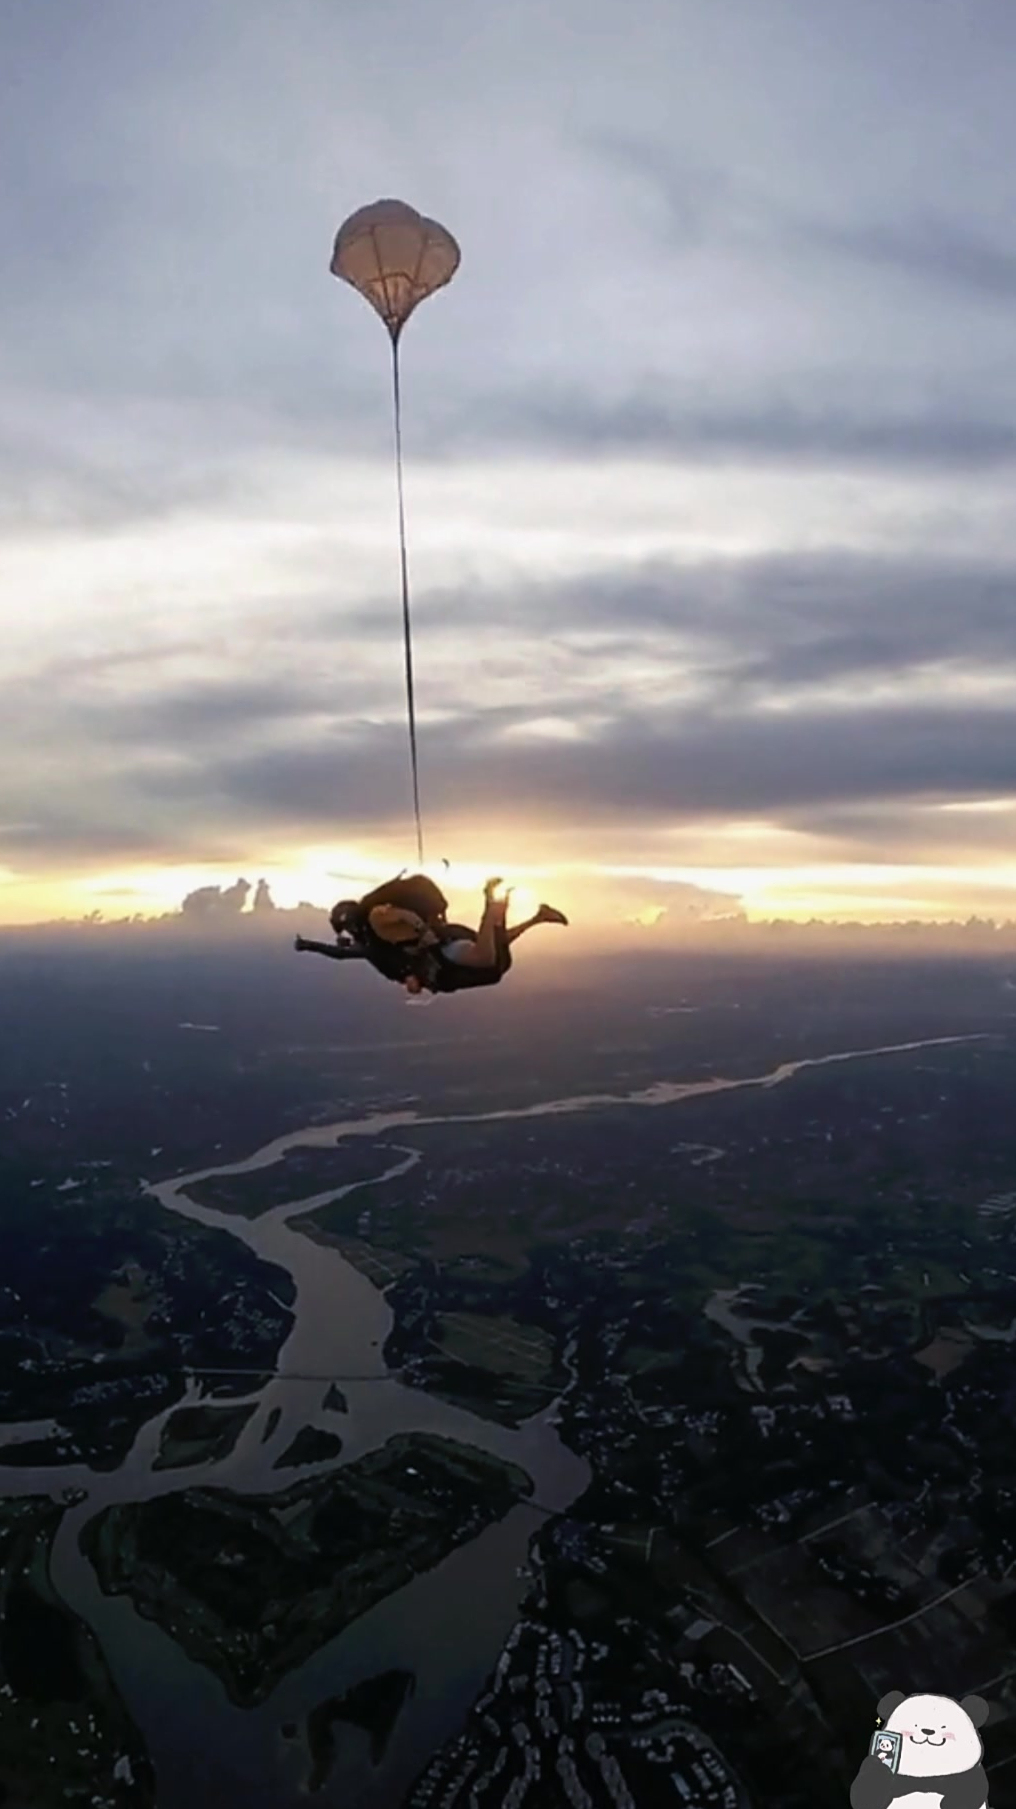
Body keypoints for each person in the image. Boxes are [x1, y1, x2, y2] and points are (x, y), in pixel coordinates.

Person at [295, 874, 568, 995]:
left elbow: (405, 917)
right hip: (442, 945)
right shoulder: (371, 939)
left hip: (442, 948)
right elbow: (344, 954)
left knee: (485, 958)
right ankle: (538, 917)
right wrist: (308, 946)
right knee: (497, 963)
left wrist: (423, 934)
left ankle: (489, 901)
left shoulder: (375, 919)